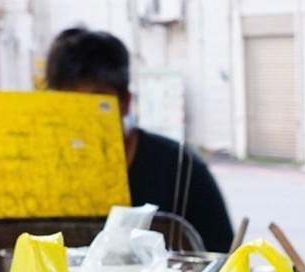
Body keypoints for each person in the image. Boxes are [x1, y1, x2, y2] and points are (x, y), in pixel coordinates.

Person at [44, 28, 234, 253]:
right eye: (67, 105)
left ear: (125, 102)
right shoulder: (36, 172)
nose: (79, 119)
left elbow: (223, 262)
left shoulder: (182, 171)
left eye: (93, 105)